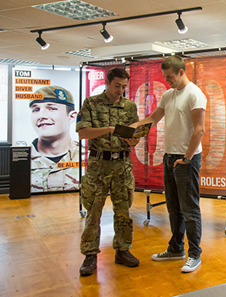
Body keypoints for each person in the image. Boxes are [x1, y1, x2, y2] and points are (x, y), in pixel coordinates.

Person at [132, 55, 207, 273]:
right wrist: (130, 128)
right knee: (173, 207)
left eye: (170, 76)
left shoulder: (195, 95)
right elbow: (152, 119)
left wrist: (187, 158)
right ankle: (176, 249)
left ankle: (194, 254)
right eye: (165, 77)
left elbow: (199, 130)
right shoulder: (168, 95)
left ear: (182, 72)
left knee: (189, 208)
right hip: (169, 157)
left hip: (186, 159)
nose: (167, 81)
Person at [77, 68, 140, 276]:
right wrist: (110, 129)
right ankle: (90, 255)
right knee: (93, 211)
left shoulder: (129, 106)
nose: (120, 90)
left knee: (123, 211)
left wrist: (134, 139)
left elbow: (136, 135)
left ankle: (123, 250)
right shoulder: (91, 104)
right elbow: (83, 132)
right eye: (117, 86)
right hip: (98, 164)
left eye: (124, 87)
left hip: (122, 164)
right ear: (107, 83)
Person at [29, 86, 79, 193]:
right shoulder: (22, 159)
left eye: (52, 109)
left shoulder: (87, 156)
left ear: (72, 116)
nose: (41, 116)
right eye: (36, 109)